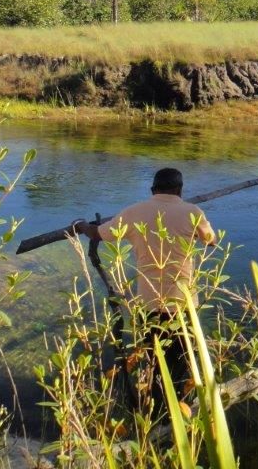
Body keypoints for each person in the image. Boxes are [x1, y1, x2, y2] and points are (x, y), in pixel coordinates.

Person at [72, 167, 215, 407]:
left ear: (152, 190)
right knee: (181, 360)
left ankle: (153, 409)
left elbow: (99, 234)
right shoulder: (193, 211)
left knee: (153, 359)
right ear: (180, 189)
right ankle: (177, 410)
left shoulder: (134, 212)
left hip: (149, 303)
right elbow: (211, 241)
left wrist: (81, 225)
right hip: (183, 302)